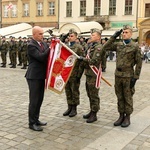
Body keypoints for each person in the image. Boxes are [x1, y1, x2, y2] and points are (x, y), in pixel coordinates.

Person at [103, 25, 142, 127]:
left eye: (126, 32)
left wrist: (135, 77)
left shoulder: (135, 46)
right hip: (118, 75)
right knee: (119, 96)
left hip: (128, 75)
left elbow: (139, 62)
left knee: (127, 97)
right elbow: (105, 47)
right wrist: (113, 37)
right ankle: (121, 115)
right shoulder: (119, 44)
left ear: (131, 34)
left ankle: (127, 117)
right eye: (123, 32)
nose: (124, 34)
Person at [25, 26, 50, 131]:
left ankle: (36, 119)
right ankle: (32, 123)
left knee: (40, 99)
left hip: (41, 75)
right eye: (40, 34)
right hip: (34, 76)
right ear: (34, 34)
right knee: (34, 100)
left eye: (42, 33)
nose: (42, 36)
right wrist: (50, 48)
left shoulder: (43, 44)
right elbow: (40, 57)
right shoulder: (31, 45)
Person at [78, 28, 104, 123]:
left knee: (94, 95)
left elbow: (94, 61)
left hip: (94, 74)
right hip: (89, 74)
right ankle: (91, 110)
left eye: (93, 35)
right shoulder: (91, 47)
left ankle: (94, 113)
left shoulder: (99, 48)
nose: (91, 36)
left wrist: (83, 59)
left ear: (98, 37)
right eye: (91, 35)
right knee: (89, 94)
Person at [63, 29, 83, 117]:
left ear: (76, 37)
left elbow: (82, 62)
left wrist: (79, 74)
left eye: (72, 36)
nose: (70, 38)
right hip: (67, 73)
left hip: (75, 73)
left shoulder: (78, 47)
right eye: (69, 36)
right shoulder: (66, 46)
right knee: (68, 90)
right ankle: (69, 106)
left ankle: (74, 108)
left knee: (74, 91)